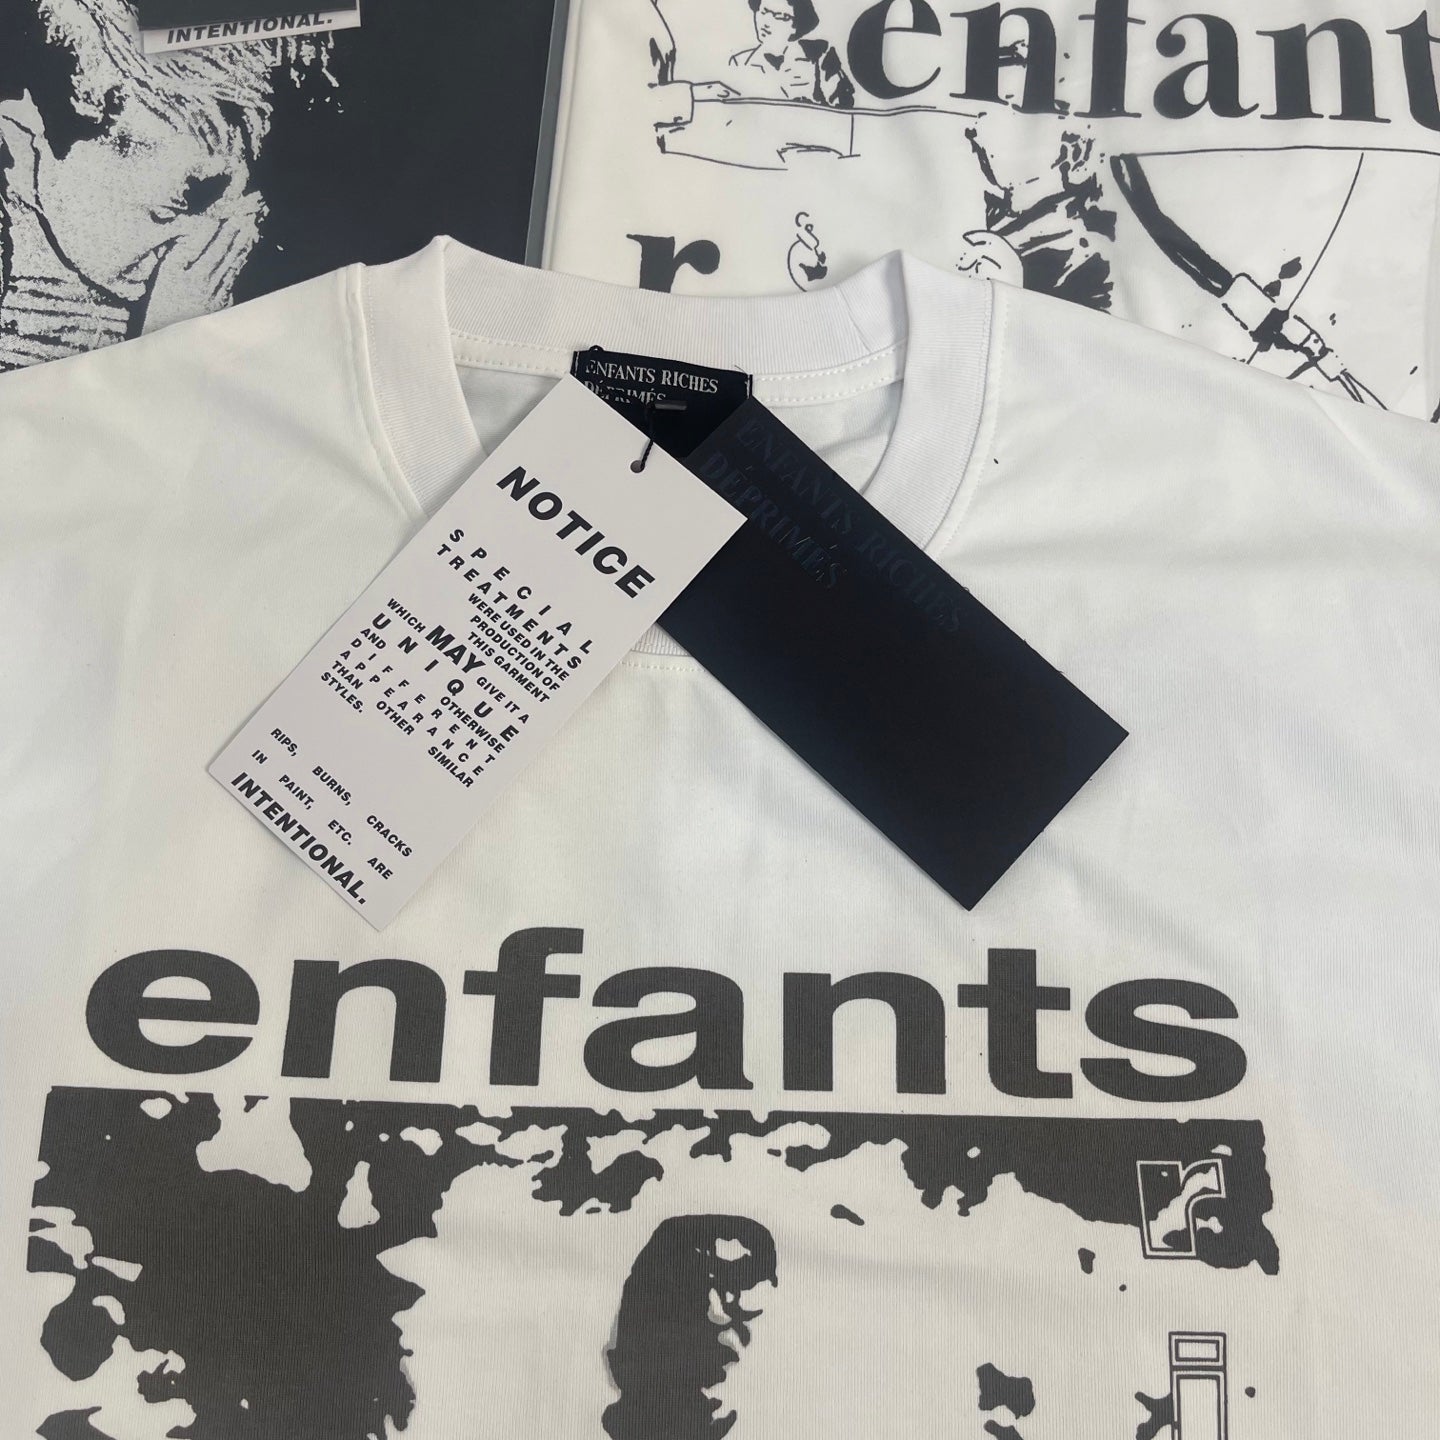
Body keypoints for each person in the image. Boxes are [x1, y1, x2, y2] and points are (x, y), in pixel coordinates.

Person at [728, 0, 854, 108]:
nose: (767, 22)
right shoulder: (739, 62)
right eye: (764, 12)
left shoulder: (819, 55)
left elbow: (844, 106)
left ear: (796, 25)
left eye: (780, 17)